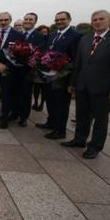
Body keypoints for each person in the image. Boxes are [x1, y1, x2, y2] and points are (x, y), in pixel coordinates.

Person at [62, 10, 110, 158]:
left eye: (101, 19)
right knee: (82, 115)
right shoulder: (85, 39)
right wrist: (72, 83)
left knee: (100, 119)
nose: (98, 22)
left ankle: (95, 146)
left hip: (103, 88)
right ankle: (79, 139)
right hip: (83, 85)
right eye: (95, 20)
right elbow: (78, 63)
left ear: (109, 21)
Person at [37, 11, 83, 139]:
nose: (59, 22)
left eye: (62, 19)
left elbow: (76, 58)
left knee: (61, 104)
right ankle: (51, 122)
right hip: (49, 75)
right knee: (50, 100)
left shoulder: (76, 36)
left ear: (69, 19)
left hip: (63, 77)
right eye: (57, 20)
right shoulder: (52, 35)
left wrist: (64, 70)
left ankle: (60, 130)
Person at [15, 12, 48, 126]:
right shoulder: (18, 34)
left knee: (25, 94)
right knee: (15, 92)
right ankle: (15, 112)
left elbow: (40, 52)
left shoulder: (40, 37)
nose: (28, 21)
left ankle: (23, 116)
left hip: (28, 70)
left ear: (35, 21)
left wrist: (29, 60)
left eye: (31, 19)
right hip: (15, 68)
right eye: (26, 19)